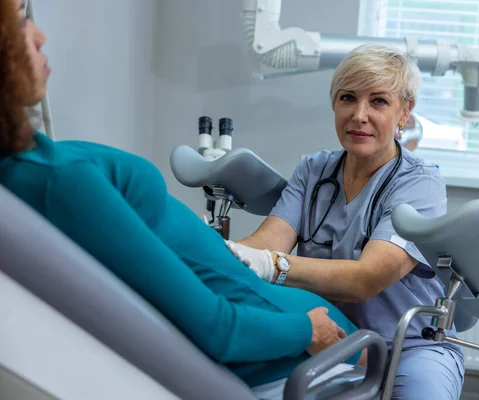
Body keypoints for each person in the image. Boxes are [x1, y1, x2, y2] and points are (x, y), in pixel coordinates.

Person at [0, 0, 365, 389]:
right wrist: (306, 330)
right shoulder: (61, 182)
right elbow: (218, 328)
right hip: (290, 352)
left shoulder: (29, 163)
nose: (39, 35)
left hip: (280, 321)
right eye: (22, 20)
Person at [226, 43, 465, 399]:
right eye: (348, 98)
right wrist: (216, 250)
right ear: (334, 104)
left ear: (405, 112)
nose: (359, 115)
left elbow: (365, 280)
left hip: (409, 346)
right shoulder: (314, 170)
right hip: (329, 337)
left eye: (379, 101)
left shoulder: (419, 183)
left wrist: (273, 265)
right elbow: (267, 243)